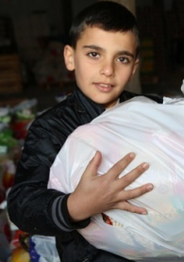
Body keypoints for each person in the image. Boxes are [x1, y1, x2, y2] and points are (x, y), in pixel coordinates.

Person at [7, 2, 163, 261]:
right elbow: (21, 205)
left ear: (134, 67)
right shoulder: (51, 129)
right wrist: (75, 207)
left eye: (121, 58)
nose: (108, 70)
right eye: (94, 54)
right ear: (70, 57)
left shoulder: (152, 112)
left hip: (158, 248)